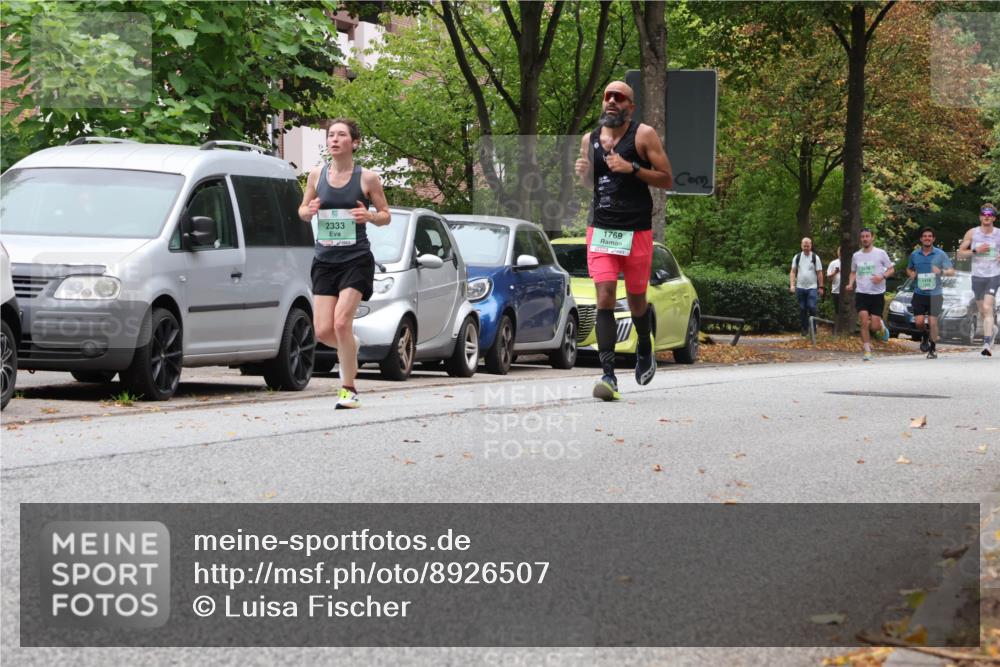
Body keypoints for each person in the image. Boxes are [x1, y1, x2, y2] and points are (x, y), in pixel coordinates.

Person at [575, 81, 673, 401]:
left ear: (631, 106)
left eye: (620, 97)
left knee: (636, 300)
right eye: (608, 96)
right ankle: (608, 375)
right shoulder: (589, 139)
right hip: (601, 229)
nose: (612, 101)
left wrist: (633, 168)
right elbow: (591, 182)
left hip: (636, 231)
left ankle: (644, 344)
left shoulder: (643, 135)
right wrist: (583, 173)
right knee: (604, 295)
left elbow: (666, 178)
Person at [298, 119, 390, 408]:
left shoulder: (368, 178)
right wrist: (309, 210)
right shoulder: (316, 175)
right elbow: (302, 211)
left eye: (341, 135)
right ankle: (351, 346)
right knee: (323, 331)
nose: (334, 139)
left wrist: (370, 216)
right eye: (331, 135)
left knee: (341, 323)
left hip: (356, 259)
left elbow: (386, 214)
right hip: (325, 260)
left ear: (355, 142)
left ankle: (348, 390)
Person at [845, 228, 894, 361]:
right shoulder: (856, 256)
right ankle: (867, 351)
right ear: (860, 239)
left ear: (872, 238)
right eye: (863, 237)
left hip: (877, 294)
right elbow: (853, 272)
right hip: (862, 293)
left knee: (874, 326)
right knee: (864, 321)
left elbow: (891, 269)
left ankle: (881, 326)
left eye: (867, 236)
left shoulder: (880, 253)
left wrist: (882, 276)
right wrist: (850, 284)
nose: (865, 239)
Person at [957, 203, 999, 356]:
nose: (986, 217)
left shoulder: (999, 234)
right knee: (982, 311)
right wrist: (976, 250)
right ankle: (992, 329)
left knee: (987, 307)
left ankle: (986, 344)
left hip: (994, 275)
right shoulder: (972, 233)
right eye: (984, 215)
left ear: (994, 218)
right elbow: (960, 254)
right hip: (977, 276)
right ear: (980, 217)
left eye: (989, 215)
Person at [906, 227, 955, 359]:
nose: (927, 238)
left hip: (935, 294)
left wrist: (941, 271)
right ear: (921, 239)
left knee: (933, 323)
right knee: (919, 323)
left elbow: (952, 271)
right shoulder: (915, 254)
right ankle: (924, 336)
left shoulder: (940, 254)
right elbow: (909, 269)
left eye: (929, 236)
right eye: (925, 236)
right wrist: (911, 274)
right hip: (919, 293)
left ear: (933, 239)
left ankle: (932, 349)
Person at [788, 237, 824, 336]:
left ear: (811, 246)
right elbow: (793, 272)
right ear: (801, 246)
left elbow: (819, 273)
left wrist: (821, 287)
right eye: (804, 246)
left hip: (812, 287)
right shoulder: (797, 257)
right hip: (800, 287)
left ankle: (813, 329)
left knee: (812, 306)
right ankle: (804, 329)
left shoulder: (815, 257)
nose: (806, 248)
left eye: (808, 246)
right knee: (802, 308)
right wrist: (792, 285)